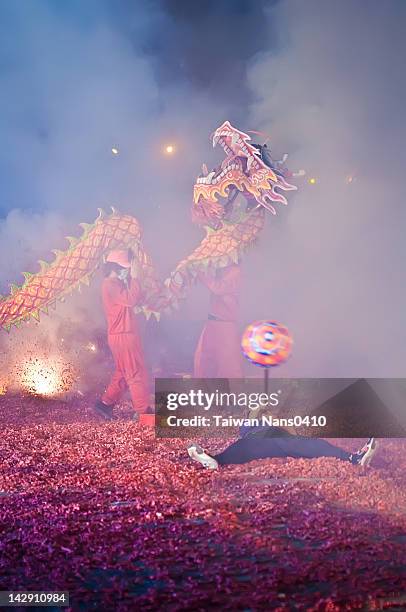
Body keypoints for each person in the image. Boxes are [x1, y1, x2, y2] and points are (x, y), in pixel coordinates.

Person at [94, 249, 153, 420]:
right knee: (135, 372)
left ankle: (104, 404)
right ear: (115, 267)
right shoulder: (110, 284)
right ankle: (143, 412)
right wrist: (135, 277)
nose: (127, 270)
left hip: (122, 334)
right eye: (125, 267)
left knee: (123, 372)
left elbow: (131, 299)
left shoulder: (115, 283)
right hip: (123, 335)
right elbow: (130, 299)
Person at [187, 424, 378, 470]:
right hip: (259, 437)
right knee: (248, 443)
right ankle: (215, 460)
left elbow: (295, 430)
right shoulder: (251, 420)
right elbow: (245, 430)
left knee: (302, 444)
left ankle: (354, 458)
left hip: (279, 437)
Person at [194, 263, 243, 378]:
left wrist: (200, 273)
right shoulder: (220, 269)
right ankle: (205, 393)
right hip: (212, 323)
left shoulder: (235, 270)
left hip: (225, 326)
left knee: (229, 367)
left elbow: (218, 288)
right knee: (202, 361)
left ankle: (233, 395)